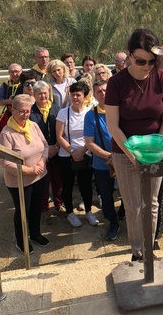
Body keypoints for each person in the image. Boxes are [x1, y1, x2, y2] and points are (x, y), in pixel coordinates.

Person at [105, 29, 163, 261]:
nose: (147, 66)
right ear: (129, 56)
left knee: (151, 204)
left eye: (152, 62)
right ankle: (137, 252)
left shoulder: (162, 78)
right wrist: (135, 156)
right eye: (141, 61)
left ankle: (149, 249)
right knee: (134, 206)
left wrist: (158, 151)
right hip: (125, 153)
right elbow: (113, 126)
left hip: (155, 152)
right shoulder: (117, 83)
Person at [0, 94, 49, 254]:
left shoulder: (33, 125)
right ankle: (21, 241)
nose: (25, 114)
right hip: (19, 181)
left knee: (36, 208)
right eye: (21, 111)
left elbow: (45, 145)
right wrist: (29, 170)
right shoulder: (7, 134)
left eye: (27, 111)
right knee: (23, 211)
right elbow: (5, 162)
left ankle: (35, 234)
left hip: (40, 176)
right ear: (12, 110)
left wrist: (42, 161)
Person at [56, 82, 99, 227]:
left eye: (78, 94)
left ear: (85, 96)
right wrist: (73, 152)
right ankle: (70, 213)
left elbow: (92, 136)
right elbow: (59, 136)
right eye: (73, 94)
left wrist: (82, 151)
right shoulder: (63, 113)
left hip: (85, 153)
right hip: (66, 155)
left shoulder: (90, 113)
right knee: (67, 185)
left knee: (85, 185)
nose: (75, 97)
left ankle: (88, 211)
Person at [84, 80, 119, 240]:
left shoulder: (120, 110)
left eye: (105, 90)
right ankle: (112, 222)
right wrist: (108, 156)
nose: (103, 94)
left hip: (124, 159)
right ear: (94, 95)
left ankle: (125, 214)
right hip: (102, 163)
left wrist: (119, 157)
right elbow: (89, 143)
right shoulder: (90, 115)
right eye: (99, 91)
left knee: (128, 193)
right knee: (106, 196)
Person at [30, 81, 63, 212]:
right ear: (34, 94)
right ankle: (44, 208)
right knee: (42, 183)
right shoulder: (31, 111)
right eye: (39, 94)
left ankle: (59, 204)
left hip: (57, 150)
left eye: (45, 93)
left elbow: (63, 130)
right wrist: (46, 150)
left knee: (58, 181)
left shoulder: (57, 109)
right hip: (39, 154)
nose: (43, 96)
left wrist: (56, 146)